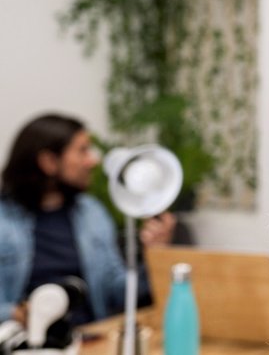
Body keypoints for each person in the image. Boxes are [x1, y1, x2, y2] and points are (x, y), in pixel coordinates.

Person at [0, 114, 176, 326]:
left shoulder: (91, 212)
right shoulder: (4, 221)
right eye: (82, 150)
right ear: (48, 162)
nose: (92, 160)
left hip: (89, 339)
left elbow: (118, 292)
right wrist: (17, 314)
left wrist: (155, 255)